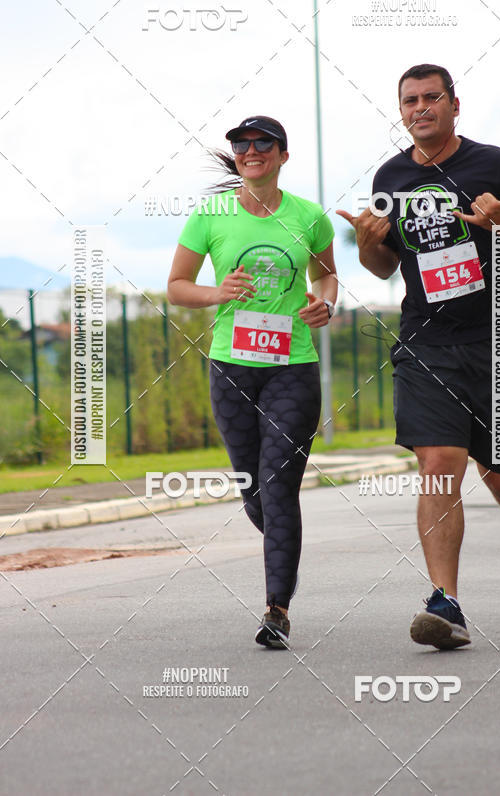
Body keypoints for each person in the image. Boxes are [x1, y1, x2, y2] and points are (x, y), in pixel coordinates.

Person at [338, 64, 500, 650]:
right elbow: (386, 266)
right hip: (426, 340)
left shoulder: (494, 164)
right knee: (439, 459)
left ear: (454, 105)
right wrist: (366, 246)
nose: (419, 108)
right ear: (401, 110)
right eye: (409, 100)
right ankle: (447, 603)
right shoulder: (389, 176)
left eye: (430, 97)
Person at [168, 116, 337, 649]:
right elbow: (176, 287)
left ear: (282, 155)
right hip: (231, 366)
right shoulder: (210, 214)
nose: (250, 150)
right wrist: (219, 293)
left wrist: (325, 302)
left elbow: (325, 274)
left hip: (292, 365)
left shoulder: (309, 216)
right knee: (253, 490)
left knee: (278, 483)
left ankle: (276, 608)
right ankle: (285, 547)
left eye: (263, 143)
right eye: (241, 145)